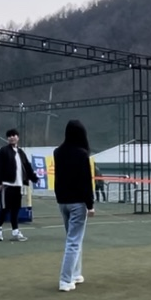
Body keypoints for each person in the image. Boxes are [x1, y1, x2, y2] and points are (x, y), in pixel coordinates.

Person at [54, 120, 95, 291]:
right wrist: (90, 204)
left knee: (73, 239)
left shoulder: (58, 152)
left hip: (63, 201)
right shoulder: (82, 154)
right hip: (77, 202)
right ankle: (65, 280)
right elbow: (85, 181)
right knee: (74, 241)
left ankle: (75, 274)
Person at [0, 129, 38, 241]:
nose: (12, 137)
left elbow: (27, 167)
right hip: (6, 185)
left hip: (18, 185)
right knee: (5, 208)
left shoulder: (21, 152)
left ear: (18, 137)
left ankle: (15, 232)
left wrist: (34, 178)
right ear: (7, 139)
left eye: (14, 135)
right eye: (9, 136)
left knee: (15, 209)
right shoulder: (3, 151)